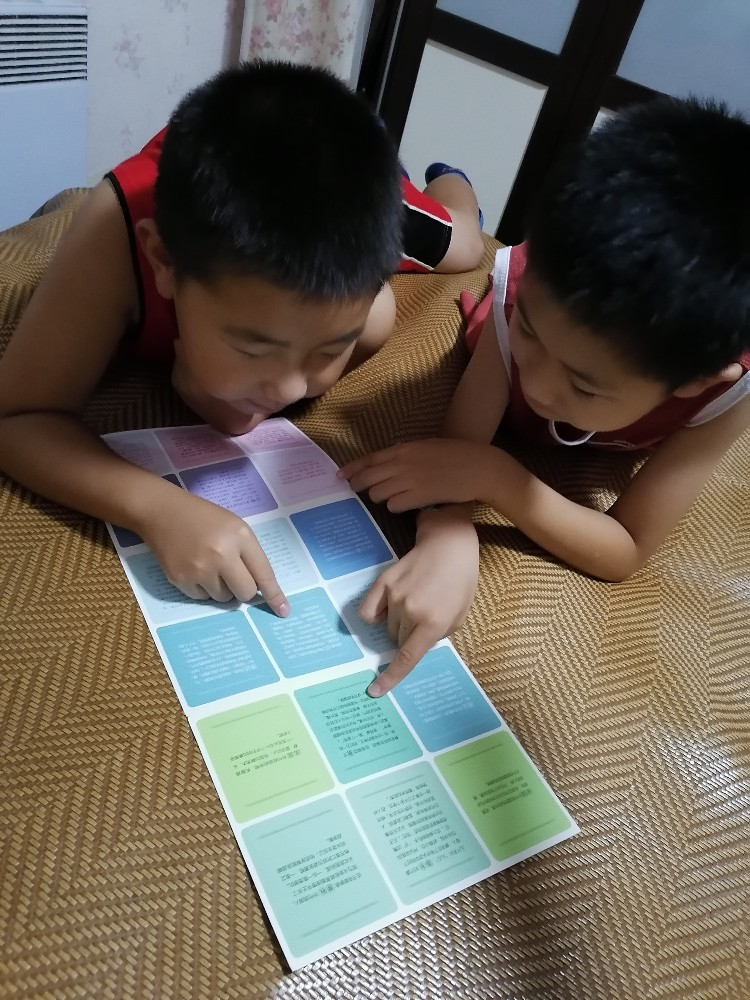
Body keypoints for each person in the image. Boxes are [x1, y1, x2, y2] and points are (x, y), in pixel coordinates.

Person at [0, 60, 483, 615]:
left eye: (329, 349)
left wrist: (232, 391)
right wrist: (156, 507)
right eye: (254, 348)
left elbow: (375, 316)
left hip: (365, 188)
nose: (290, 389)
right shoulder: (117, 229)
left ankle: (448, 178)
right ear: (162, 262)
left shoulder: (378, 251)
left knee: (463, 245)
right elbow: (17, 415)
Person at [340, 95, 750, 697]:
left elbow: (627, 548)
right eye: (531, 331)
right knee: (463, 241)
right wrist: (448, 532)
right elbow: (457, 450)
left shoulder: (724, 389)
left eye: (584, 384)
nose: (535, 384)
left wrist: (502, 480)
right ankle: (450, 182)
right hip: (498, 313)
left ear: (697, 381)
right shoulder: (526, 291)